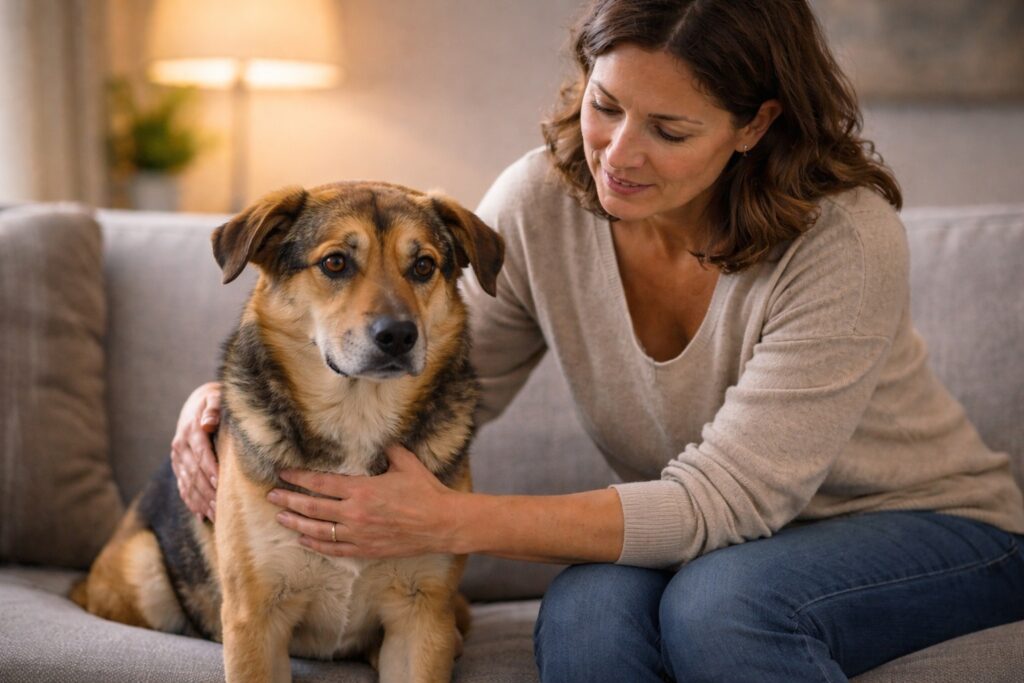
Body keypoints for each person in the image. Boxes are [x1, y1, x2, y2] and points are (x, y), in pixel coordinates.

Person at [170, 0, 1024, 680]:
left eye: (670, 129)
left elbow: (728, 503)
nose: (618, 153)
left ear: (754, 124)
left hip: (925, 526)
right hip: (708, 534)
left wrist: (456, 519)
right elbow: (440, 373)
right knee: (583, 613)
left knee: (722, 606)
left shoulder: (845, 239)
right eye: (605, 106)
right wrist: (230, 399)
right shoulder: (543, 204)